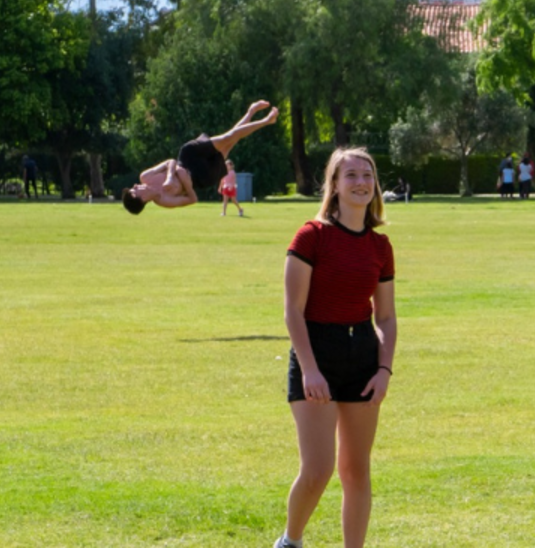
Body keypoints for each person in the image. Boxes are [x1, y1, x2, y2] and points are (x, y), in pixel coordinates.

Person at [277, 147, 397, 548]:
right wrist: (310, 369)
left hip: (362, 355)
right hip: (317, 352)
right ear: (334, 184)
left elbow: (386, 318)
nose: (361, 183)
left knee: (356, 470)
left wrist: (384, 370)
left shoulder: (381, 247)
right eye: (351, 175)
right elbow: (293, 311)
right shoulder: (312, 236)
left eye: (368, 175)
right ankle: (290, 542)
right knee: (318, 469)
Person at [121, 101, 279, 214]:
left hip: (189, 156)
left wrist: (170, 177)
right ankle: (251, 112)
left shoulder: (145, 176)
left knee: (227, 137)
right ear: (141, 200)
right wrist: (186, 184)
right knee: (232, 141)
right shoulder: (164, 200)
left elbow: (171, 162)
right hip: (201, 176)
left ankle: (266, 120)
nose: (136, 185)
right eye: (135, 190)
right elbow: (192, 199)